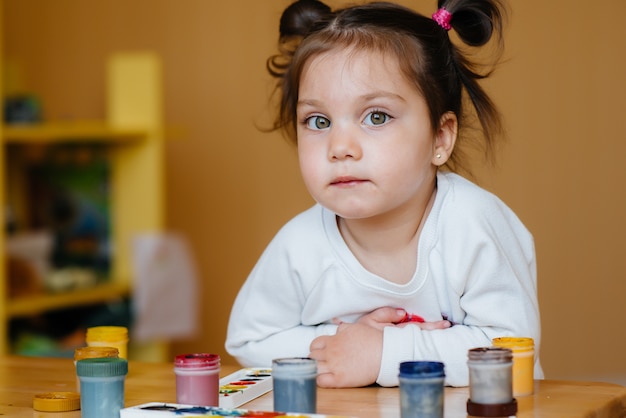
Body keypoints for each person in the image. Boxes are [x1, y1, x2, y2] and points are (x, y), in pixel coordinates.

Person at [225, 0, 543, 388]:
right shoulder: (300, 244)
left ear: (440, 138)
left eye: (376, 116)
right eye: (318, 121)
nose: (340, 146)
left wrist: (383, 352)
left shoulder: (473, 224)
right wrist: (346, 343)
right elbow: (249, 339)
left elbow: (511, 352)